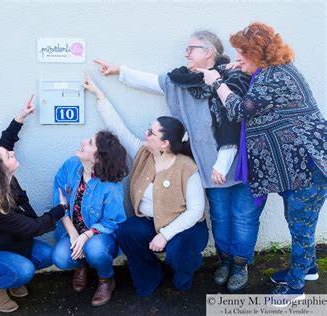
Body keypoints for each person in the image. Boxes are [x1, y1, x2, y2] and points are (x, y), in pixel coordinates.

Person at [94, 30, 264, 292]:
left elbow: (237, 117)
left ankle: (240, 265)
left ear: (209, 52)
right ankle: (225, 261)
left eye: (191, 48)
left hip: (242, 164)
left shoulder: (234, 76)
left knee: (243, 219)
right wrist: (119, 71)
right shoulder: (181, 83)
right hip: (210, 169)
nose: (186, 53)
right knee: (220, 218)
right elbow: (153, 82)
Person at [196, 22, 326, 298]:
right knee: (297, 220)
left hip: (308, 165)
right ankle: (307, 268)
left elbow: (240, 109)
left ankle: (295, 287)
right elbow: (252, 88)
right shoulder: (273, 71)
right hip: (298, 165)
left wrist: (217, 83)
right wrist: (234, 68)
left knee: (300, 225)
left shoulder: (274, 77)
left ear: (257, 52)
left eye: (242, 52)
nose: (238, 57)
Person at [83, 76, 207, 296]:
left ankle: (182, 277)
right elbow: (118, 128)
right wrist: (98, 94)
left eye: (151, 132)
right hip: (150, 222)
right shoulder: (143, 153)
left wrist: (166, 235)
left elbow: (195, 211)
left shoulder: (186, 167)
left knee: (179, 252)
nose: (145, 134)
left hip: (185, 227)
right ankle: (151, 274)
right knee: (127, 231)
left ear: (165, 143)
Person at [0, 96, 67, 313]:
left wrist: (20, 117)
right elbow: (35, 227)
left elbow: (5, 143)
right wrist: (61, 209)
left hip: (12, 244)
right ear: (1, 171)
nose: (11, 153)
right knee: (24, 270)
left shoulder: (1, 178)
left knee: (48, 256)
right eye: (8, 156)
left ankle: (10, 274)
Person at [52, 130, 128, 306]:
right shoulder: (70, 166)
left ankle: (106, 279)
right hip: (73, 230)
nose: (83, 141)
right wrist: (72, 233)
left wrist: (86, 235)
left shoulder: (111, 187)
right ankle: (81, 265)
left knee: (95, 251)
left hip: (100, 236)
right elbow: (59, 202)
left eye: (90, 143)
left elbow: (112, 222)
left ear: (98, 159)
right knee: (61, 258)